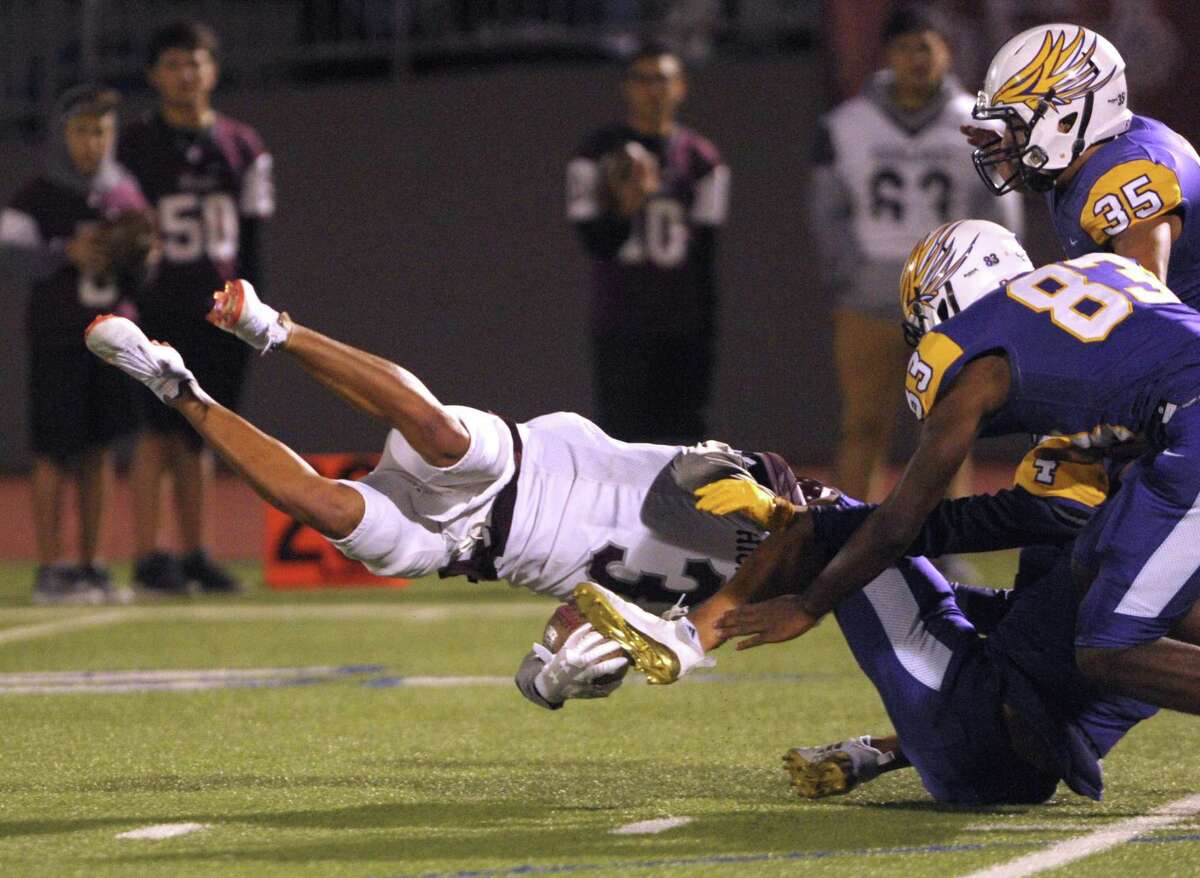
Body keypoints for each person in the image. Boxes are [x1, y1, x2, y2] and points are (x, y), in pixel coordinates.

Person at [615, 219, 1200, 719]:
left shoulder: (980, 357)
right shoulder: (1100, 278)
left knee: (1108, 646)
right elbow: (1049, 510)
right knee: (1122, 575)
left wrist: (811, 603)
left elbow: (902, 520)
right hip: (1183, 425)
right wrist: (825, 525)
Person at [85, 278, 808, 627]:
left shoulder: (711, 604)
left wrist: (566, 666)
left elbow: (584, 615)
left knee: (326, 508)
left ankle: (175, 386)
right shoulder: (739, 488)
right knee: (442, 438)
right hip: (530, 467)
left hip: (467, 547)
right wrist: (773, 514)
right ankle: (274, 329)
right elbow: (698, 475)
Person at [568, 436, 1157, 803]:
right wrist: (884, 750)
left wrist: (791, 519)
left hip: (969, 721)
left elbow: (922, 529)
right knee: (870, 554)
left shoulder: (1116, 527)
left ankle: (690, 636)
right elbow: (1043, 662)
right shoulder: (1161, 579)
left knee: (832, 516)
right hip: (1010, 779)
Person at [813, 5, 1022, 502]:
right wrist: (847, 274)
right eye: (906, 48)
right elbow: (827, 211)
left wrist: (992, 287)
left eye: (926, 46)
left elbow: (1001, 209)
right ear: (886, 56)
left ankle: (949, 542)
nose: (917, 59)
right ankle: (847, 533)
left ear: (947, 52)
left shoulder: (977, 122)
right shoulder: (846, 124)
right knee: (863, 427)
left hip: (950, 305)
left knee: (951, 428)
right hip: (869, 297)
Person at [117, 21, 275, 594]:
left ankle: (194, 551)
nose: (187, 75)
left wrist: (254, 306)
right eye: (175, 64)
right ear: (155, 75)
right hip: (155, 305)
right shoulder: (133, 145)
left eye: (197, 63)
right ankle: (148, 553)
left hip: (218, 308)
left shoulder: (244, 145)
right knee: (157, 431)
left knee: (202, 429)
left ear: (213, 70)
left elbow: (254, 236)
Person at [0, 85, 153, 604]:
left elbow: (145, 274)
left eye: (103, 131)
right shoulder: (37, 195)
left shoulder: (125, 192)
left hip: (114, 341)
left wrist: (139, 256)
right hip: (60, 336)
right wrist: (65, 250)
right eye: (84, 131)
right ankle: (50, 568)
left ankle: (93, 565)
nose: (94, 142)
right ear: (63, 135)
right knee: (53, 453)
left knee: (101, 450)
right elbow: (11, 259)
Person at [966, 24, 1200, 305]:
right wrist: (1015, 149)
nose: (1007, 141)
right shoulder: (1091, 149)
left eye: (1015, 126)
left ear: (1065, 120)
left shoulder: (1128, 178)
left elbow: (1144, 306)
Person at [566, 44, 729, 445]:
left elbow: (705, 256)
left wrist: (707, 329)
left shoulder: (703, 160)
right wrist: (626, 204)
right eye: (644, 79)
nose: (654, 89)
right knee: (620, 440)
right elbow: (596, 244)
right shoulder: (594, 154)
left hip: (681, 320)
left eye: (664, 79)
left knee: (686, 443)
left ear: (681, 87)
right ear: (627, 87)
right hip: (621, 318)